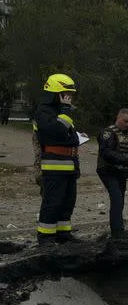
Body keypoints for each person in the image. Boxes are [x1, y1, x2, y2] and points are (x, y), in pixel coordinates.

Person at [34, 73, 85, 246]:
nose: (69, 98)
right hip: (54, 166)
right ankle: (46, 238)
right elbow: (57, 131)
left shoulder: (62, 112)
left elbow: (72, 139)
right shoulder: (43, 112)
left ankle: (64, 235)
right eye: (66, 94)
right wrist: (65, 111)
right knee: (52, 203)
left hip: (69, 166)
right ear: (56, 93)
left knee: (67, 203)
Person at [97, 109, 128, 238]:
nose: (127, 124)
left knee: (119, 201)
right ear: (118, 118)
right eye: (125, 121)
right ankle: (117, 234)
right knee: (116, 199)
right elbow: (106, 153)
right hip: (108, 170)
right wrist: (126, 161)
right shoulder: (109, 133)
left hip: (122, 171)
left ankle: (118, 230)